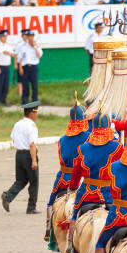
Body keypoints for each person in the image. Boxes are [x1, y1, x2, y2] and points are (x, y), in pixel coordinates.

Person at [64, 112, 124, 253]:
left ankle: (70, 247)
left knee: (75, 214)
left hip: (87, 193)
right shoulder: (118, 148)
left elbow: (76, 174)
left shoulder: (83, 148)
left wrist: (72, 187)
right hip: (110, 194)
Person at [45, 96, 91, 241]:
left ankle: (48, 227)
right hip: (82, 178)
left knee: (51, 201)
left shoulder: (62, 139)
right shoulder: (89, 137)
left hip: (64, 179)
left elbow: (62, 160)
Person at [1, 101, 41, 214]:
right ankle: (31, 207)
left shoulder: (17, 124)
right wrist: (34, 160)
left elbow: (13, 138)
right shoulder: (32, 126)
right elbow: (32, 144)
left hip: (19, 155)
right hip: (29, 155)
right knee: (34, 181)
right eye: (36, 112)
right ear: (32, 113)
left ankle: (7, 196)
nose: (37, 115)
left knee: (21, 180)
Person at [18, 31, 43, 105]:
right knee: (25, 85)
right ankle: (25, 101)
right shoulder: (23, 47)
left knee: (34, 85)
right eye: (29, 36)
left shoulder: (37, 46)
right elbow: (20, 58)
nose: (31, 37)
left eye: (32, 36)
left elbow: (39, 55)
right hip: (25, 68)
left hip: (33, 68)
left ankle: (34, 101)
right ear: (27, 37)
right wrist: (20, 68)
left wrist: (34, 46)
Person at [0, 29, 14, 106]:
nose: (4, 38)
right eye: (3, 36)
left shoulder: (8, 45)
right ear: (0, 37)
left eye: (5, 36)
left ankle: (3, 100)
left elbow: (12, 54)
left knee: (5, 85)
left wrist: (11, 54)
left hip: (6, 67)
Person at [14, 29, 29, 98]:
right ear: (22, 36)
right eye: (24, 35)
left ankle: (26, 94)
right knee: (20, 80)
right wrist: (15, 64)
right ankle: (21, 95)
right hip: (20, 64)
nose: (26, 37)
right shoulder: (19, 44)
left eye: (27, 35)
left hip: (27, 64)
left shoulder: (30, 43)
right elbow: (16, 54)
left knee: (27, 80)